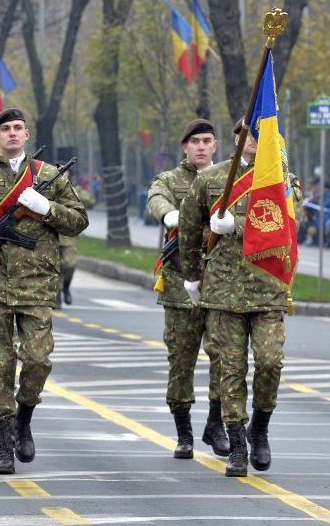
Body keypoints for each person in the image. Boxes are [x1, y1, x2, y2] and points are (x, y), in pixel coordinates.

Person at [0, 108, 88, 474]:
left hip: (37, 284)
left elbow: (78, 220)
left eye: (18, 128)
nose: (12, 133)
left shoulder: (47, 175)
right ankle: (4, 447)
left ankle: (24, 416)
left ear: (27, 135)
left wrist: (48, 209)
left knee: (38, 360)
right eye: (5, 129)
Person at [178, 118, 300, 477]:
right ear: (236, 139)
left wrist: (239, 226)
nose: (253, 141)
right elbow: (188, 228)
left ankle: (259, 428)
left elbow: (287, 226)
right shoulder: (212, 179)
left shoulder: (282, 180)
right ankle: (236, 444)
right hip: (223, 291)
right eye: (247, 135)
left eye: (261, 136)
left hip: (267, 289)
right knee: (229, 369)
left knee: (270, 362)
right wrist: (191, 276)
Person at [145, 118, 228, 459]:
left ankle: (216, 423)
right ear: (185, 147)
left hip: (221, 284)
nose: (201, 147)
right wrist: (170, 215)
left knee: (224, 358)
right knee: (181, 361)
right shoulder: (170, 180)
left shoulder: (228, 179)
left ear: (215, 145)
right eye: (195, 141)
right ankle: (184, 433)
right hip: (181, 286)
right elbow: (156, 198)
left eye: (207, 141)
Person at [56, 179, 96, 307]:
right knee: (54, 266)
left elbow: (90, 202)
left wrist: (76, 193)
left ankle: (66, 286)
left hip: (69, 236)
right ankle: (57, 294)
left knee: (69, 264)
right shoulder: (48, 185)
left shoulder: (73, 189)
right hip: (51, 234)